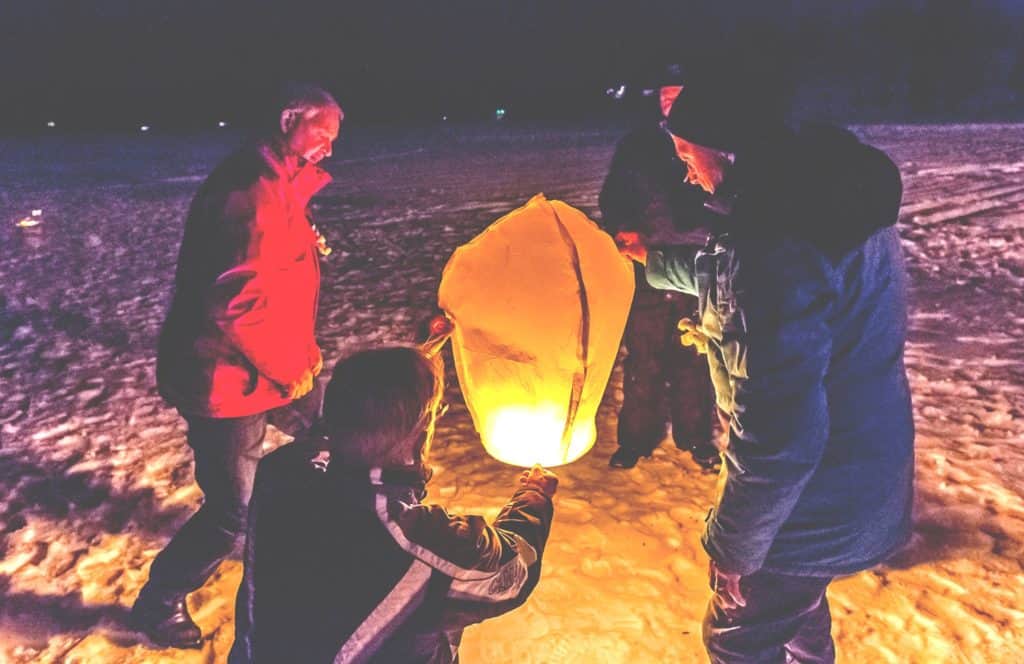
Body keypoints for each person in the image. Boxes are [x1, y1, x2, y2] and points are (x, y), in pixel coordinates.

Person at [618, 75, 914, 663]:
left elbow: (781, 432)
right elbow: (738, 280)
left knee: (740, 638)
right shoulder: (816, 202)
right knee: (798, 616)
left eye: (686, 155)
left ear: (725, 148)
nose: (685, 172)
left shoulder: (774, 240)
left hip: (815, 498)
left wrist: (734, 548)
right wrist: (655, 261)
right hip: (859, 476)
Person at [130, 84, 343, 648]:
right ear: (288, 119)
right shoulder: (250, 190)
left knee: (334, 434)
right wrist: (286, 369)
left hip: (273, 366)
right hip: (226, 380)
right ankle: (159, 602)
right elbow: (237, 302)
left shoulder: (278, 186)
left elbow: (265, 271)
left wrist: (303, 242)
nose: (328, 147)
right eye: (322, 133)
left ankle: (305, 532)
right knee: (231, 515)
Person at [229, 345, 557, 663]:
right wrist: (534, 497)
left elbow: (363, 415)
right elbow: (512, 574)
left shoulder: (283, 473)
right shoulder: (418, 544)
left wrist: (422, 357)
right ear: (421, 431)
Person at [599, 64, 718, 470]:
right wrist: (621, 228)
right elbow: (613, 196)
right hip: (645, 267)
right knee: (643, 358)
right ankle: (635, 438)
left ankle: (697, 437)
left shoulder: (711, 142)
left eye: (678, 96)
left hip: (697, 268)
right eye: (665, 96)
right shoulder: (638, 146)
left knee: (696, 357)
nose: (670, 103)